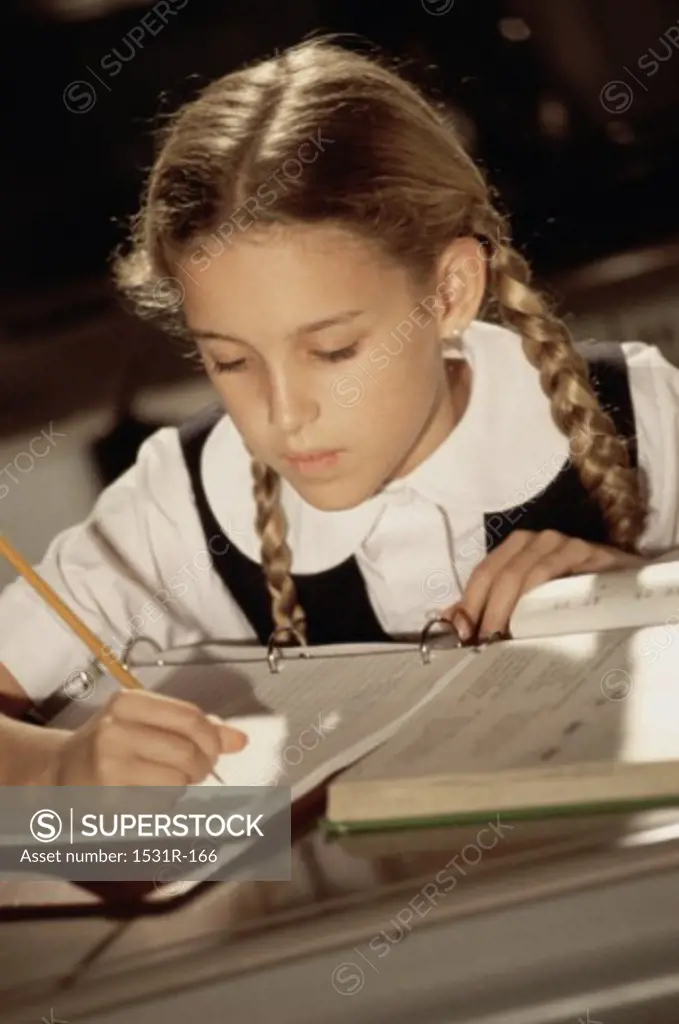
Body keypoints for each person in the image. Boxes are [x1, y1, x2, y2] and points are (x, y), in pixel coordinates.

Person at [1, 37, 678, 786]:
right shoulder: (182, 503)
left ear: (449, 291)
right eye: (230, 361)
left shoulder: (638, 414)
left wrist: (642, 597)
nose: (283, 415)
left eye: (331, 351)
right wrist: (58, 774)